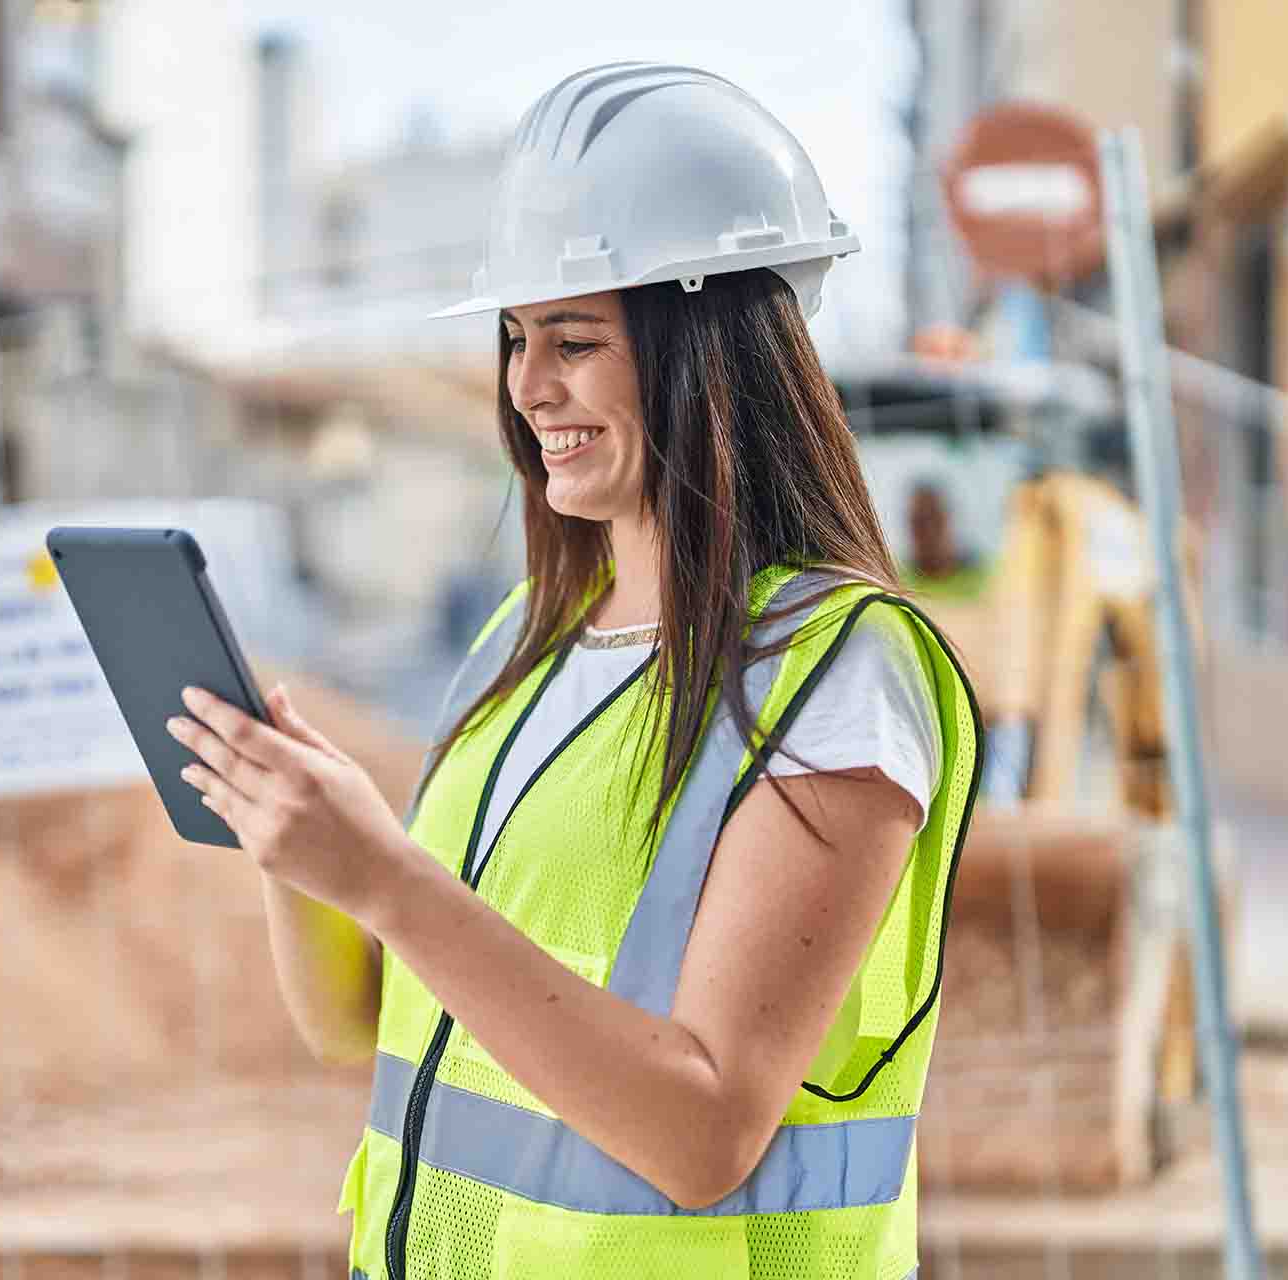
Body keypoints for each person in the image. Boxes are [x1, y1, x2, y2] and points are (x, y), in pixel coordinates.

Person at [164, 62, 982, 1280]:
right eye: (515, 339)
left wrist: (386, 878)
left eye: (575, 339)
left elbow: (706, 1128)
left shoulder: (838, 674)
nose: (528, 384)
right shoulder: (527, 645)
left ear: (706, 349)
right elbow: (356, 1023)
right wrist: (301, 854)